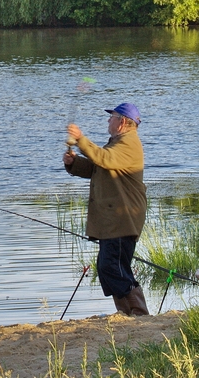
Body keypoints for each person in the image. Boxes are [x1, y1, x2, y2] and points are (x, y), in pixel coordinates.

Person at [63, 102, 149, 316]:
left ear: (122, 122)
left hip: (122, 218)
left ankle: (139, 313)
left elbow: (104, 158)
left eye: (112, 117)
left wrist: (80, 139)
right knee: (107, 267)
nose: (108, 120)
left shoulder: (129, 144)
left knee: (113, 266)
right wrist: (74, 163)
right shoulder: (118, 143)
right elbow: (98, 167)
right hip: (114, 219)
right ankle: (127, 313)